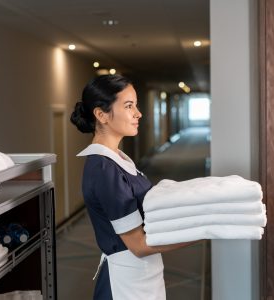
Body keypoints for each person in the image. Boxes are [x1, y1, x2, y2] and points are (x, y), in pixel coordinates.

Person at [71, 74, 194, 300]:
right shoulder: (104, 170)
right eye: (129, 106)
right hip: (124, 285)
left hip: (141, 276)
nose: (138, 113)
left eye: (136, 105)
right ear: (101, 114)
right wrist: (201, 232)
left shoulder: (117, 159)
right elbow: (138, 245)